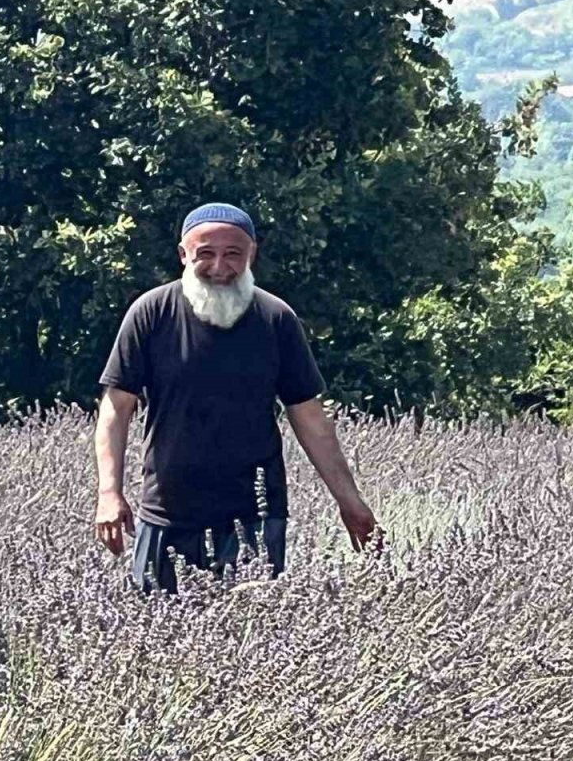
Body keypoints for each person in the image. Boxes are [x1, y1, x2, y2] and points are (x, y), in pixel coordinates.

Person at [93, 202, 378, 596]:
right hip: (168, 512)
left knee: (251, 629)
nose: (219, 266)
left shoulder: (276, 319)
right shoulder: (151, 313)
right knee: (155, 627)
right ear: (183, 255)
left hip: (256, 516)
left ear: (251, 255)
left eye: (232, 254)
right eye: (205, 254)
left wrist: (350, 502)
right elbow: (115, 408)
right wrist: (109, 493)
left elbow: (309, 417)